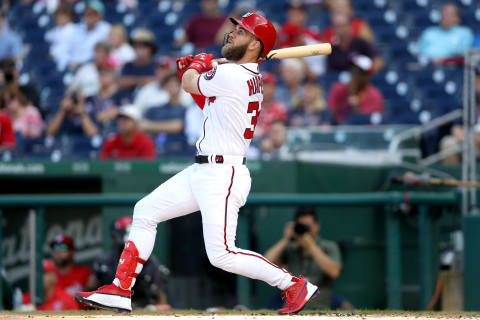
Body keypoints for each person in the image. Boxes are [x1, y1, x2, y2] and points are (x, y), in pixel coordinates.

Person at [75, 12, 319, 315]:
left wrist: (195, 67)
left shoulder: (233, 74)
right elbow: (207, 102)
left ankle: (293, 285)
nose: (231, 34)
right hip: (205, 169)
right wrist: (193, 72)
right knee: (145, 211)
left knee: (222, 255)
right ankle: (121, 289)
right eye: (235, 29)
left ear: (256, 45)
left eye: (241, 32)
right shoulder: (240, 76)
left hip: (223, 173)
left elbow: (192, 83)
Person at [264, 206, 344, 310]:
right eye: (301, 227)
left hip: (319, 309)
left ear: (317, 225)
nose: (305, 231)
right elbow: (265, 263)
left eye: (307, 227)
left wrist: (310, 245)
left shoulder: (329, 247)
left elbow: (334, 272)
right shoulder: (291, 249)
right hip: (291, 310)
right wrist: (286, 239)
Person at [91, 216, 171, 310]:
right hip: (111, 308)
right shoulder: (105, 261)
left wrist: (149, 309)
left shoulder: (150, 262)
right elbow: (90, 288)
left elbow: (163, 302)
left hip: (143, 309)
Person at [141, 74, 189, 156]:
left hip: (178, 151)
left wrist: (152, 127)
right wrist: (168, 126)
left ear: (180, 87)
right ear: (165, 87)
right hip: (155, 149)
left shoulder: (185, 109)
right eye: (169, 85)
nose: (172, 88)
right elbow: (142, 126)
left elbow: (177, 126)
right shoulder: (155, 109)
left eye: (174, 85)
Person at [327, 54, 384, 124]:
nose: (353, 74)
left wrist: (356, 108)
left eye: (358, 72)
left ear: (366, 77)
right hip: (340, 131)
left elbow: (371, 124)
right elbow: (331, 114)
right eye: (352, 69)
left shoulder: (374, 95)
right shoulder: (339, 89)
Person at [118, 29, 156, 100]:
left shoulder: (156, 65)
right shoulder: (128, 66)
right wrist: (143, 81)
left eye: (144, 46)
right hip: (128, 99)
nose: (140, 50)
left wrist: (133, 81)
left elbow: (158, 81)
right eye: (137, 46)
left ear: (151, 48)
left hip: (150, 100)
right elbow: (121, 82)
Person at [70, 0, 111, 67]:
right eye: (86, 13)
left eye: (92, 13)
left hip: (93, 67)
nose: (88, 16)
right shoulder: (76, 29)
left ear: (100, 15)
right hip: (73, 65)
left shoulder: (106, 29)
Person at [256, 72, 287, 138]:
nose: (262, 88)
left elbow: (279, 132)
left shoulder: (279, 108)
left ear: (273, 88)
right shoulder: (250, 106)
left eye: (266, 85)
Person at [47, 4, 78, 71]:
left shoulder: (75, 29)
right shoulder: (54, 31)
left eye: (62, 15)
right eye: (58, 16)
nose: (60, 18)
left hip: (69, 63)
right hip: (54, 63)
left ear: (70, 17)